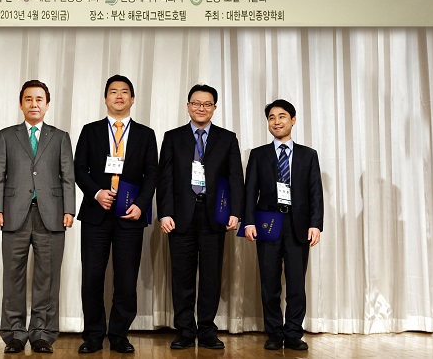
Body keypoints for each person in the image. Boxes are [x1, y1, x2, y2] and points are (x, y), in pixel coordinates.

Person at [0, 80, 75, 354]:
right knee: (12, 277)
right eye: (28, 99)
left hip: (52, 215)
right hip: (14, 214)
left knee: (47, 278)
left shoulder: (60, 137)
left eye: (39, 99)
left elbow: (68, 177)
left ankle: (42, 334)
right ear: (21, 104)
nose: (34, 104)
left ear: (47, 105)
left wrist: (69, 209)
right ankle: (14, 334)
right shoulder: (6, 136)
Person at [74, 75, 158, 354]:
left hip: (130, 215)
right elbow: (79, 169)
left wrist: (141, 204)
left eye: (124, 92)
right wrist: (96, 193)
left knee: (126, 278)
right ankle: (93, 335)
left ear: (132, 99)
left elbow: (152, 174)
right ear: (105, 98)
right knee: (92, 277)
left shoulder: (146, 134)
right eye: (113, 91)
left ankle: (119, 334)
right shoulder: (90, 131)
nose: (119, 96)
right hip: (96, 214)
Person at [157, 84, 245, 350]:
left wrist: (236, 212)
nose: (201, 108)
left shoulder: (227, 138)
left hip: (214, 216)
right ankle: (185, 330)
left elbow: (235, 178)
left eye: (207, 104)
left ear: (214, 108)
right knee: (182, 276)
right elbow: (165, 178)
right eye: (196, 103)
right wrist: (165, 213)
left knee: (210, 276)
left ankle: (207, 330)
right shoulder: (173, 137)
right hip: (180, 216)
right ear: (188, 106)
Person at [244, 99, 323, 351]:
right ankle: (274, 333)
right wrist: (248, 222)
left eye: (282, 116)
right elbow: (250, 192)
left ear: (293, 120)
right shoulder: (258, 154)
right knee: (270, 283)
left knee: (296, 284)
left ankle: (293, 333)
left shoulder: (308, 155)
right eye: (271, 117)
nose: (276, 121)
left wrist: (316, 224)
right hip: (268, 224)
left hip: (298, 226)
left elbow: (315, 192)